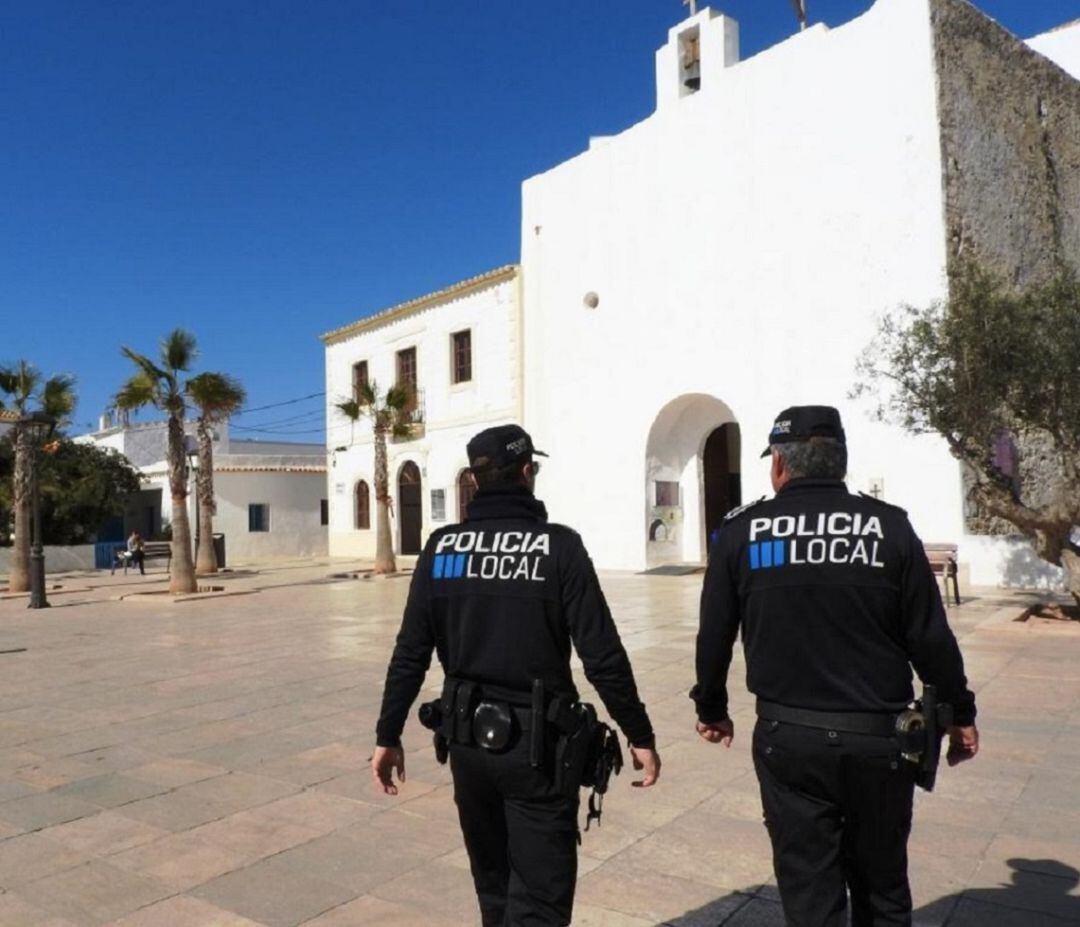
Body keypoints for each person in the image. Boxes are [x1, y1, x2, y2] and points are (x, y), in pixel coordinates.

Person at [693, 405, 979, 927]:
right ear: (841, 462)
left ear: (779, 465)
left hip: (789, 737)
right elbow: (930, 637)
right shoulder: (888, 527)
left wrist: (712, 707)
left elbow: (714, 636)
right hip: (882, 737)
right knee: (884, 886)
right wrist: (960, 711)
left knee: (810, 892)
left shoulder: (740, 532)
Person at [372, 424, 661, 926]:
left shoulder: (442, 549)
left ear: (478, 480)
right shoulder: (559, 548)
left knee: (495, 891)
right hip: (538, 752)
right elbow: (602, 654)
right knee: (541, 904)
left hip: (467, 746)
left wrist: (387, 734)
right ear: (527, 472)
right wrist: (639, 733)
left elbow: (409, 652)